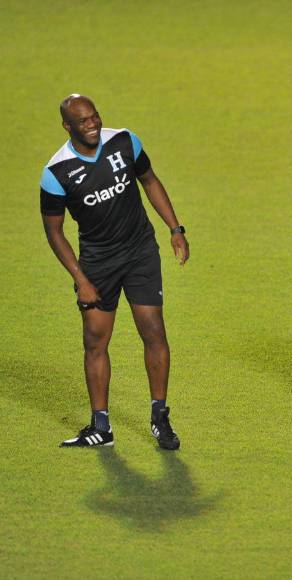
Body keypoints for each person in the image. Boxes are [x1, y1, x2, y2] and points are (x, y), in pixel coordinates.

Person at [40, 94, 188, 450]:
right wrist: (81, 280)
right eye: (83, 121)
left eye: (95, 117)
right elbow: (54, 232)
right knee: (95, 341)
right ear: (67, 126)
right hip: (98, 264)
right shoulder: (56, 173)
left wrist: (175, 229)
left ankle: (160, 418)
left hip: (140, 252)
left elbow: (149, 180)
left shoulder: (124, 141)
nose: (92, 124)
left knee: (154, 331)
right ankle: (101, 427)